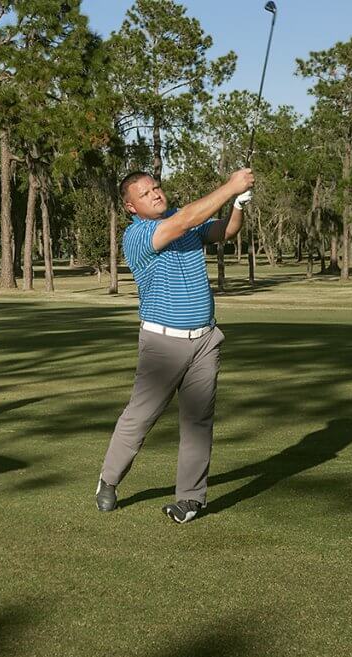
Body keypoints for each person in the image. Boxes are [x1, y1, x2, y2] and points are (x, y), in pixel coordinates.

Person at [95, 168, 255, 524]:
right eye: (144, 193)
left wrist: (239, 204)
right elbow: (182, 223)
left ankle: (190, 500)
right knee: (140, 417)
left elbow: (225, 231)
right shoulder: (137, 235)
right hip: (162, 344)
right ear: (130, 206)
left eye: (156, 187)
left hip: (205, 340)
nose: (154, 194)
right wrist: (230, 186)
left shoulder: (185, 220)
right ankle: (109, 480)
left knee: (198, 422)